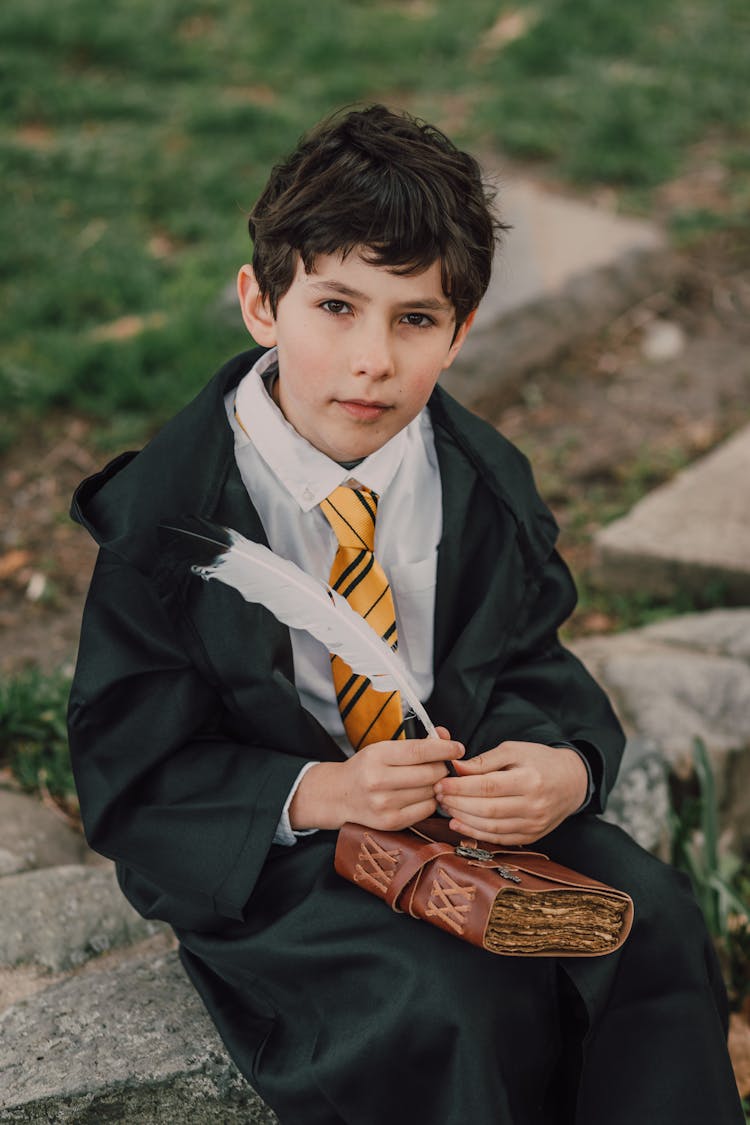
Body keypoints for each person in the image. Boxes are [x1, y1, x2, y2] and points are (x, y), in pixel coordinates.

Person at [67, 105, 743, 1124]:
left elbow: (525, 663)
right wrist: (325, 792)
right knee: (442, 1003)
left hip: (466, 825)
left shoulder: (478, 485)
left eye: (414, 318)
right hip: (286, 855)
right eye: (336, 307)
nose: (372, 360)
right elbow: (134, 772)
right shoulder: (171, 525)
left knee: (645, 925)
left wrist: (559, 765)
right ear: (261, 302)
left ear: (462, 332)